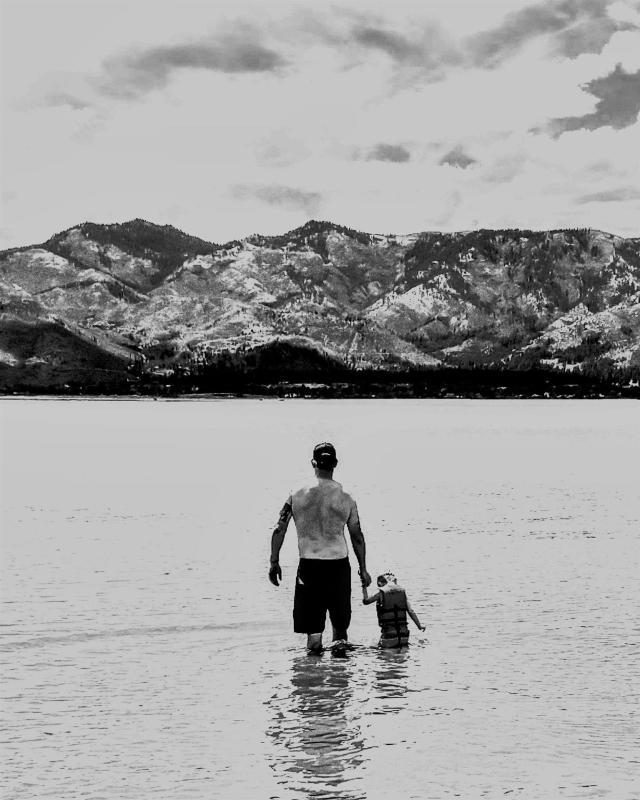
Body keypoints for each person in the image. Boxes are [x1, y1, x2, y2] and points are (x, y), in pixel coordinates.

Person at [269, 442, 372, 654]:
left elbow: (279, 529)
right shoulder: (347, 497)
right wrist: (363, 568)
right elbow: (357, 536)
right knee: (340, 634)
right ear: (335, 464)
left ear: (313, 463)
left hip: (310, 567)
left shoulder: (296, 494)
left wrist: (274, 562)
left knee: (313, 635)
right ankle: (340, 681)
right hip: (338, 567)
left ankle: (312, 679)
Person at [362, 571, 425, 648]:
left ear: (381, 583)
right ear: (395, 580)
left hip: (388, 637)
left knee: (379, 652)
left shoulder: (381, 593)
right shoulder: (402, 591)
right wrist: (419, 626)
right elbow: (411, 611)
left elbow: (366, 601)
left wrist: (364, 586)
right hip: (404, 637)